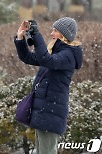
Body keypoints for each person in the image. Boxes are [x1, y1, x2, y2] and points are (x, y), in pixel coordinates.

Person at [14, 17, 82, 154]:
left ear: (64, 35)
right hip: (44, 109)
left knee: (47, 151)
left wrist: (36, 34)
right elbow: (28, 58)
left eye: (55, 31)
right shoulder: (55, 52)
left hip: (51, 111)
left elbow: (46, 60)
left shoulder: (68, 55)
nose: (51, 33)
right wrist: (20, 38)